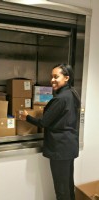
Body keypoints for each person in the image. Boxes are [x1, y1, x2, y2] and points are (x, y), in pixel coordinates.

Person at [20, 63, 80, 200]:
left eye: (56, 76)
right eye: (51, 77)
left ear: (66, 78)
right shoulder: (72, 93)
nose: (52, 80)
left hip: (60, 148)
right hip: (69, 146)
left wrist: (26, 117)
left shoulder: (60, 98)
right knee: (68, 185)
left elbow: (43, 123)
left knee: (61, 189)